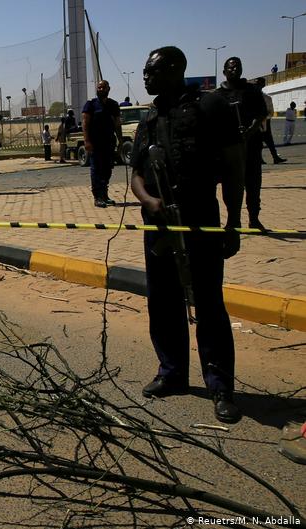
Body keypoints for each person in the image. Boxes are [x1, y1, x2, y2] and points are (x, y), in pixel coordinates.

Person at [130, 46, 245, 424]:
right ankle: (172, 372)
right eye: (145, 71)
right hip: (159, 226)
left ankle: (220, 386)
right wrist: (149, 201)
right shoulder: (149, 116)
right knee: (162, 302)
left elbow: (233, 167)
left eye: (154, 70)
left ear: (177, 69)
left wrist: (233, 222)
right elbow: (136, 175)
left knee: (209, 304)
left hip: (200, 222)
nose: (146, 76)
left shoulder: (210, 107)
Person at [217, 58, 269, 230]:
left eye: (237, 67)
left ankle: (254, 218)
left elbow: (261, 113)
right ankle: (234, 219)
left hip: (251, 146)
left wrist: (249, 131)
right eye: (230, 68)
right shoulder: (218, 95)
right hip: (229, 150)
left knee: (253, 185)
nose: (234, 70)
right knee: (231, 187)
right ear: (224, 71)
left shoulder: (251, 90)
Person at [82, 80, 123, 207]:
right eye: (98, 87)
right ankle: (97, 197)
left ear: (108, 89)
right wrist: (87, 141)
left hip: (109, 143)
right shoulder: (91, 104)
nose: (100, 89)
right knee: (96, 170)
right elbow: (85, 123)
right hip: (95, 143)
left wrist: (121, 140)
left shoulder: (113, 105)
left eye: (103, 87)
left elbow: (117, 123)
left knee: (107, 170)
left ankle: (104, 195)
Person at [256, 78, 285, 164]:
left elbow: (271, 112)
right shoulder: (249, 97)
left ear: (263, 85)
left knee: (270, 142)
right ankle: (260, 159)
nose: (257, 86)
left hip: (265, 122)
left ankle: (275, 157)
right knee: (258, 142)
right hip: (255, 123)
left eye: (259, 84)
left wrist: (263, 118)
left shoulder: (267, 98)